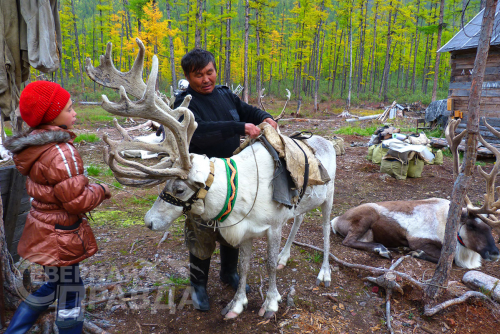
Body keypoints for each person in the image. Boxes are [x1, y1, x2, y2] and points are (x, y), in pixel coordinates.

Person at [173, 48, 277, 311]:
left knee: (234, 223)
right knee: (202, 230)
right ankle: (198, 285)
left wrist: (263, 117)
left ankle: (229, 273)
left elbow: (245, 109)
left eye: (210, 72)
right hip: (201, 181)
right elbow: (199, 134)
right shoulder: (184, 104)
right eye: (199, 75)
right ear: (188, 76)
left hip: (232, 175)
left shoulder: (223, 93)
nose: (206, 79)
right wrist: (238, 127)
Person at [4, 81, 111, 333]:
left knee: (53, 285)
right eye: (70, 109)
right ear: (52, 115)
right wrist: (101, 190)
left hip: (43, 228)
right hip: (62, 233)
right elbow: (76, 201)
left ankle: (14, 330)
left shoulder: (34, 145)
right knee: (71, 291)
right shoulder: (62, 152)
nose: (75, 113)